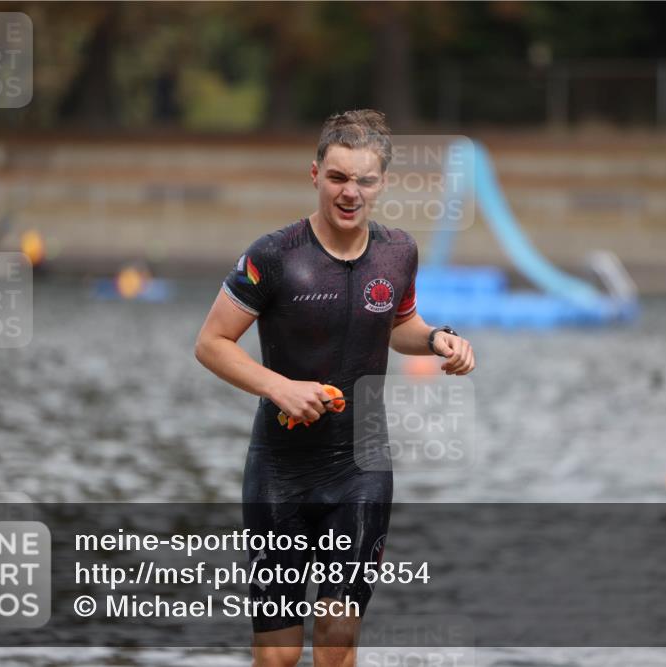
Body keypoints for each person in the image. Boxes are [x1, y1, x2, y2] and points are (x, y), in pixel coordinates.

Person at [194, 109, 476, 667]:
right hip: (281, 466)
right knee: (278, 654)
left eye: (364, 180)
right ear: (315, 175)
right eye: (338, 178)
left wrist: (441, 339)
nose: (351, 192)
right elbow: (211, 343)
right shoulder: (275, 256)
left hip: (362, 463)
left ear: (382, 184)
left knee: (338, 633)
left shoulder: (398, 252)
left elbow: (399, 328)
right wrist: (280, 388)